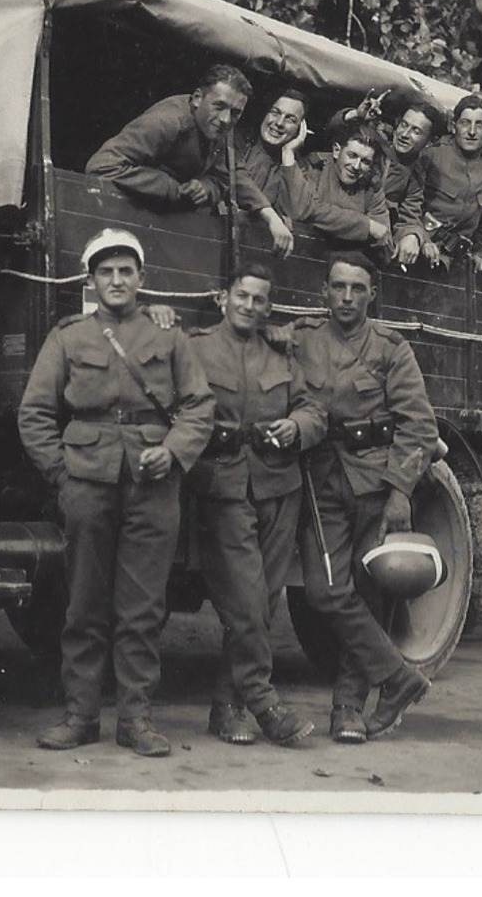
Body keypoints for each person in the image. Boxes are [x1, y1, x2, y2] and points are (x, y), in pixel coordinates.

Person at [16, 229, 215, 758]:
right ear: (91, 280)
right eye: (106, 271)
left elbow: (199, 405)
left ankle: (136, 718)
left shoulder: (169, 338)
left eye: (126, 270)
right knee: (83, 603)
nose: (117, 280)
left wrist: (172, 451)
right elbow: (35, 413)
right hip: (87, 483)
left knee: (143, 606)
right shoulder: (69, 337)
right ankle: (81, 715)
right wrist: (62, 475)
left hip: (153, 486)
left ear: (141, 279)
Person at [291, 250, 441, 743]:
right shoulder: (301, 340)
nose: (347, 297)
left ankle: (347, 711)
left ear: (372, 294)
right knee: (326, 592)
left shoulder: (391, 349)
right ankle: (398, 679)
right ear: (324, 291)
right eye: (338, 287)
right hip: (322, 479)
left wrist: (400, 493)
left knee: (370, 594)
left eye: (357, 288)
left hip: (376, 482)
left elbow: (419, 425)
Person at [185, 262, 325, 746]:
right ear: (224, 298)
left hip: (278, 486)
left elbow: (312, 409)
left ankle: (226, 707)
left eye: (259, 299)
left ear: (269, 306)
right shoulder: (196, 348)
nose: (249, 306)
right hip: (224, 486)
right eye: (242, 296)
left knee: (263, 603)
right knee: (246, 601)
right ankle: (265, 705)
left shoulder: (281, 354)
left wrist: (297, 427)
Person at [85, 65, 252, 212]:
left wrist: (205, 187)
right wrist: (171, 188)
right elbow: (101, 166)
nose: (226, 119)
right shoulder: (167, 122)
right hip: (124, 212)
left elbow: (222, 178)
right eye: (219, 106)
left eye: (236, 112)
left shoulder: (216, 126)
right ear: (197, 98)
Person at [324, 99, 441, 264]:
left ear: (429, 142)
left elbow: (410, 215)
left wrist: (414, 235)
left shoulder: (415, 175)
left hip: (364, 241)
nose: (404, 134)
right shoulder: (374, 140)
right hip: (331, 221)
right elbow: (333, 131)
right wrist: (355, 115)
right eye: (403, 125)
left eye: (416, 131)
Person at [418, 93, 482, 270]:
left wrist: (479, 251)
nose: (471, 132)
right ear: (454, 126)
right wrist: (422, 239)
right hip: (421, 249)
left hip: (457, 260)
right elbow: (409, 204)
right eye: (465, 123)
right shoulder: (433, 155)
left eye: (479, 125)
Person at [283, 126, 396, 251]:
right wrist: (364, 225)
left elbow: (383, 238)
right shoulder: (314, 168)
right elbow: (305, 209)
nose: (356, 166)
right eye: (352, 155)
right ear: (337, 151)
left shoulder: (371, 186)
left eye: (365, 162)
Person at [230, 89, 308, 257]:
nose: (279, 123)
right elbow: (236, 179)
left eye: (290, 119)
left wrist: (288, 153)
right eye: (275, 112)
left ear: (299, 129)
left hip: (258, 250)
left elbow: (295, 212)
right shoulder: (239, 141)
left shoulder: (295, 165)